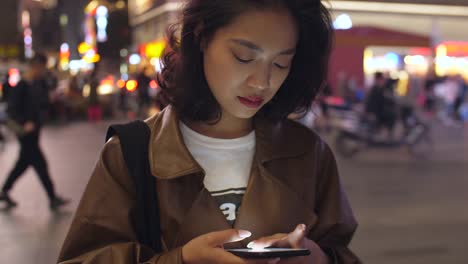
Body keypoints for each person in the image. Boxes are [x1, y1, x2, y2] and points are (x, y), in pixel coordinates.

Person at [59, 1, 360, 263]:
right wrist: (181, 259)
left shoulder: (308, 152)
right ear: (202, 37)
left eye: (281, 63)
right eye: (244, 57)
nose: (262, 82)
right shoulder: (132, 153)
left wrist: (315, 256)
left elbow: (340, 250)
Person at [0, 53, 69, 210]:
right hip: (25, 132)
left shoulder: (39, 83)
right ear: (35, 66)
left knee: (23, 163)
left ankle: (4, 191)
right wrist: (25, 123)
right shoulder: (22, 85)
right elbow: (12, 108)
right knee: (40, 164)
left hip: (35, 130)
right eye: (41, 68)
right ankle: (52, 197)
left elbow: (42, 104)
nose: (42, 71)